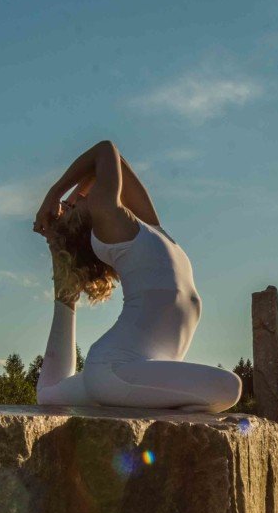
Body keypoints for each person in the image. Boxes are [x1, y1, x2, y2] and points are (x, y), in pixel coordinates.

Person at [31, 140, 242, 412]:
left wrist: (64, 211)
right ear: (83, 225)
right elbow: (105, 150)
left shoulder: (149, 227)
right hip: (115, 368)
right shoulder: (111, 226)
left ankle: (65, 296)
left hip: (122, 371)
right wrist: (53, 194)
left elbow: (113, 160)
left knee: (49, 395)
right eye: (73, 207)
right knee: (229, 388)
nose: (79, 196)